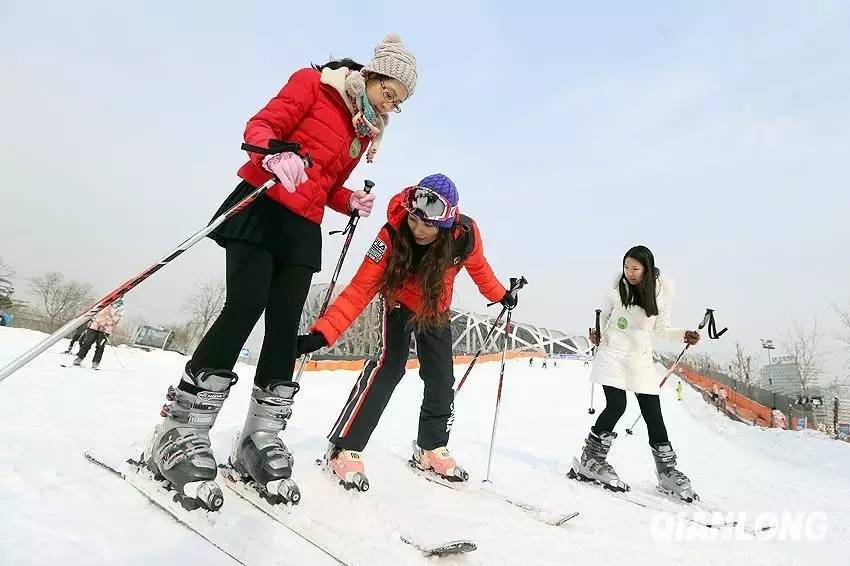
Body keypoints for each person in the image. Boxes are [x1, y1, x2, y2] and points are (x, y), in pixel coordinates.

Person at [143, 34, 418, 508]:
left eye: (399, 102)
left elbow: (326, 182)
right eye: (390, 92)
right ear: (374, 73)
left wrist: (347, 199)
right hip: (263, 206)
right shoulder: (314, 84)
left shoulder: (362, 131)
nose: (392, 105)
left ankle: (260, 435)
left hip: (302, 228)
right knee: (245, 304)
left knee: (286, 323)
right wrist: (275, 150)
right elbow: (261, 125)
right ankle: (181, 427)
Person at [296, 174, 515, 489]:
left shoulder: (464, 234)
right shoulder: (392, 234)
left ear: (446, 221)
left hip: (435, 308)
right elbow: (360, 289)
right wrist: (324, 332)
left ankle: (431, 447)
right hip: (398, 303)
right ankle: (345, 447)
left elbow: (479, 267)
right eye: (414, 219)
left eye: (428, 225)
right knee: (390, 367)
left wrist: (500, 295)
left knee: (441, 378)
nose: (419, 229)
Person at [568, 245, 702, 501]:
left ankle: (667, 472)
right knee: (617, 405)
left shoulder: (661, 292)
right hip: (612, 352)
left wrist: (683, 334)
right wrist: (595, 334)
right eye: (626, 267)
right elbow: (603, 318)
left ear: (647, 270)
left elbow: (662, 329)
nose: (629, 272)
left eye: (635, 268)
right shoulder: (616, 287)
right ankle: (591, 459)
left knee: (653, 412)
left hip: (640, 357)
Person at [73, 300, 125, 369]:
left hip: (105, 330)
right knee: (87, 343)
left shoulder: (120, 308)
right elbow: (95, 314)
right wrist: (96, 321)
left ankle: (96, 362)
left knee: (100, 346)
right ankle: (79, 358)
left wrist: (105, 322)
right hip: (94, 327)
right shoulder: (106, 303)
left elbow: (116, 320)